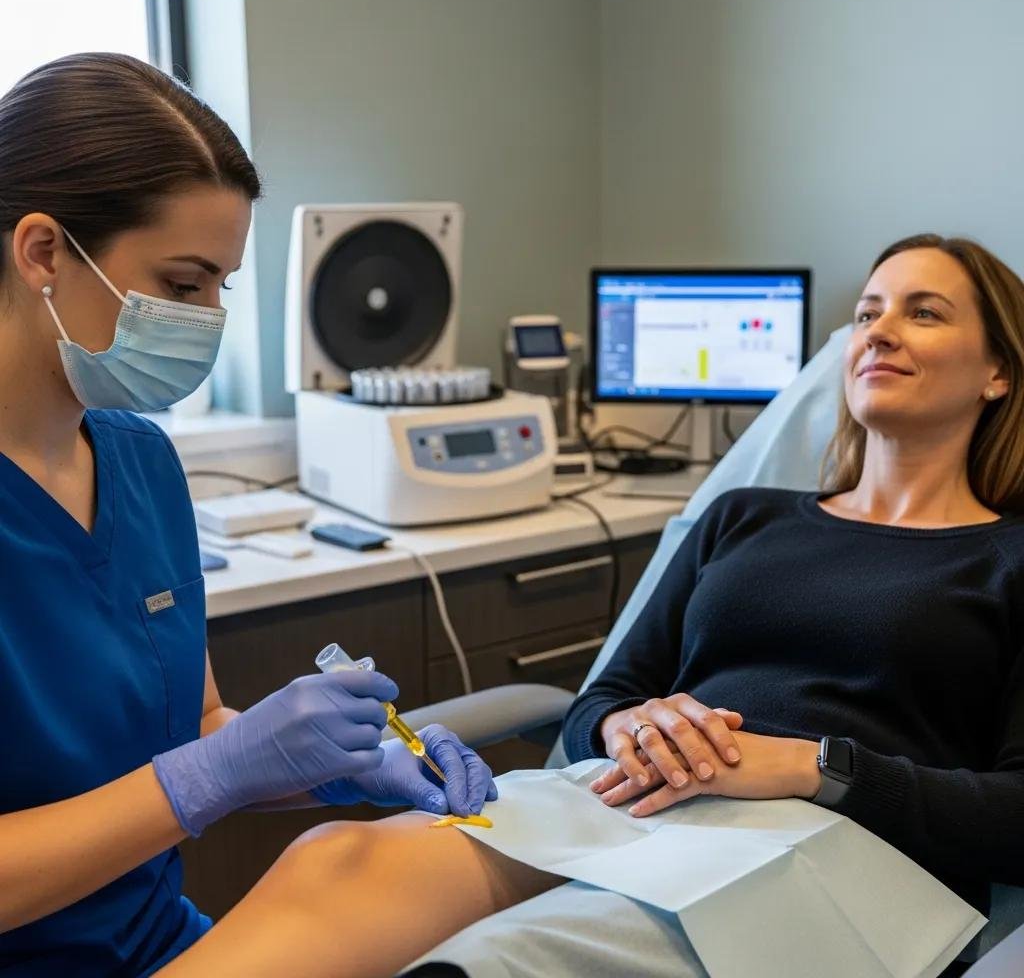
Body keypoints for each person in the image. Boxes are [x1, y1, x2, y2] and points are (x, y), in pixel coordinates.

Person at [148, 232, 1024, 978]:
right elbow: (604, 698)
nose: (877, 332)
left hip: (835, 840)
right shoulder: (743, 517)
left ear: (996, 372)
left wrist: (812, 766)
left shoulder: (1009, 558)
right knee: (336, 860)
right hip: (636, 798)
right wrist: (627, 724)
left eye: (924, 312)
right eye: (867, 313)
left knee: (505, 959)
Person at [0, 52, 497, 978]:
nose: (207, 318)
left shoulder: (141, 462)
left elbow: (195, 730)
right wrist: (207, 778)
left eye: (221, 286)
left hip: (161, 945)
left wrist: (328, 766)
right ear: (43, 253)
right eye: (183, 284)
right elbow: (192, 775)